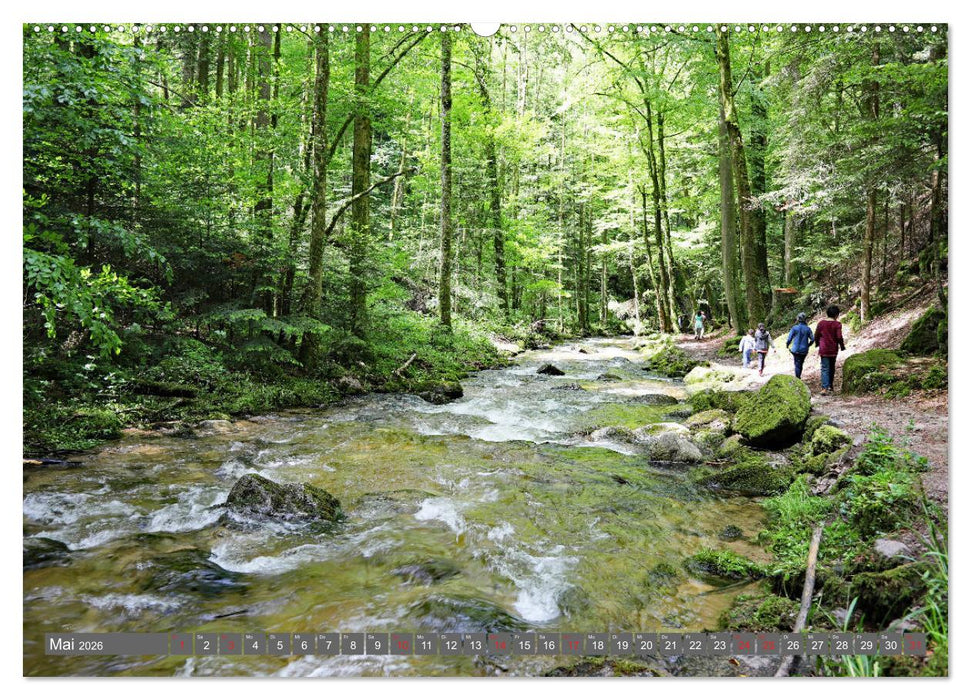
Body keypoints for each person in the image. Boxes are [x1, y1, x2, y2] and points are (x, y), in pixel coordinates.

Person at [815, 305, 846, 395]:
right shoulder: (837, 324)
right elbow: (839, 337)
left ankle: (824, 388)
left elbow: (816, 335)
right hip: (833, 349)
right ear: (836, 315)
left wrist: (817, 343)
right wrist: (842, 346)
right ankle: (830, 386)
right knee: (832, 367)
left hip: (824, 349)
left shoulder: (821, 323)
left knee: (825, 368)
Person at [786, 312, 815, 380]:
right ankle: (798, 377)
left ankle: (798, 378)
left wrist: (787, 345)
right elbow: (813, 339)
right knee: (800, 364)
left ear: (798, 319)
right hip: (804, 350)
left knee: (797, 364)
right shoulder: (808, 329)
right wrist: (808, 345)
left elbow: (789, 339)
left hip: (795, 350)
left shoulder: (794, 328)